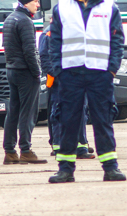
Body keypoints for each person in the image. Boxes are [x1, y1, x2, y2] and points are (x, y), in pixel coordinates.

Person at [48, 0, 126, 183]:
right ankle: (65, 169)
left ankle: (110, 167)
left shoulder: (109, 6)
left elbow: (117, 40)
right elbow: (55, 42)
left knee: (103, 120)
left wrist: (112, 69)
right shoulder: (62, 7)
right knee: (68, 121)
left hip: (100, 73)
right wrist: (59, 70)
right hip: (70, 74)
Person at [1, 0, 47, 165]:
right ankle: (26, 150)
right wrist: (37, 72)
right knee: (28, 112)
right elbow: (30, 51)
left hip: (11, 70)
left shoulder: (9, 19)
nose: (38, 4)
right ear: (26, 3)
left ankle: (10, 151)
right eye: (35, 1)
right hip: (25, 72)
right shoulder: (26, 21)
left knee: (13, 111)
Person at [39, 20, 95, 159]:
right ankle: (59, 146)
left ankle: (81, 145)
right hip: (60, 81)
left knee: (81, 110)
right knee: (58, 112)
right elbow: (45, 58)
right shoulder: (49, 33)